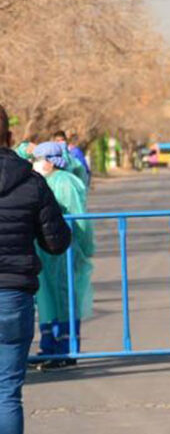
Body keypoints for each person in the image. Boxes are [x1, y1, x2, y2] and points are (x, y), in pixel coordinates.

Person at [0, 105, 71, 434]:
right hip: (14, 296)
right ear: (10, 137)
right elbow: (56, 242)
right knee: (7, 393)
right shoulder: (32, 183)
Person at [31, 142, 94, 367]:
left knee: (65, 296)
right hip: (43, 252)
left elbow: (80, 220)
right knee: (47, 297)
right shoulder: (40, 182)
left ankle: (67, 348)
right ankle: (49, 347)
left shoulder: (66, 183)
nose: (36, 163)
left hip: (65, 249)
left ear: (51, 160)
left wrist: (86, 247)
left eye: (39, 159)